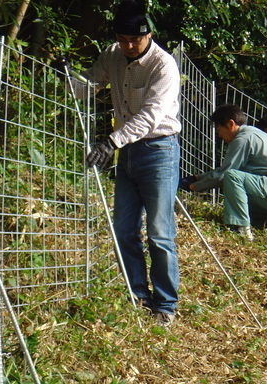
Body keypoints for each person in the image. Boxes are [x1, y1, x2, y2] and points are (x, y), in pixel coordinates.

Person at [69, 0, 181, 326]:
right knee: (124, 230)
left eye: (136, 40)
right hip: (127, 153)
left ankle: (166, 305)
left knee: (159, 232)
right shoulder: (113, 55)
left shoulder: (164, 66)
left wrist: (110, 142)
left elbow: (150, 117)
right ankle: (138, 295)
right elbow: (90, 83)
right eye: (123, 39)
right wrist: (66, 76)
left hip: (159, 151)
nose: (129, 46)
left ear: (149, 35)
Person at [180, 104, 267, 241]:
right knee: (238, 197)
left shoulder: (242, 138)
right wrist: (196, 177)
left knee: (232, 177)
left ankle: (241, 229)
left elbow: (225, 174)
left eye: (219, 130)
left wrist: (193, 186)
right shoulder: (254, 134)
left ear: (231, 124)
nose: (219, 135)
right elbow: (224, 171)